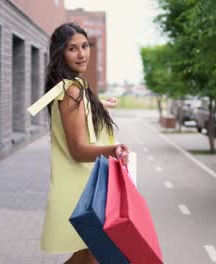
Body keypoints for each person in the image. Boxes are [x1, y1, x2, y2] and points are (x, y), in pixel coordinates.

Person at [40, 22, 129, 264]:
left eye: (85, 46)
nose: (82, 54)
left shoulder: (65, 86)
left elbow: (76, 111)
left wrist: (99, 104)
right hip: (83, 190)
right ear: (61, 52)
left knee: (83, 256)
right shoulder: (72, 91)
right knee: (96, 255)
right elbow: (78, 150)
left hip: (82, 185)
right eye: (72, 49)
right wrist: (114, 149)